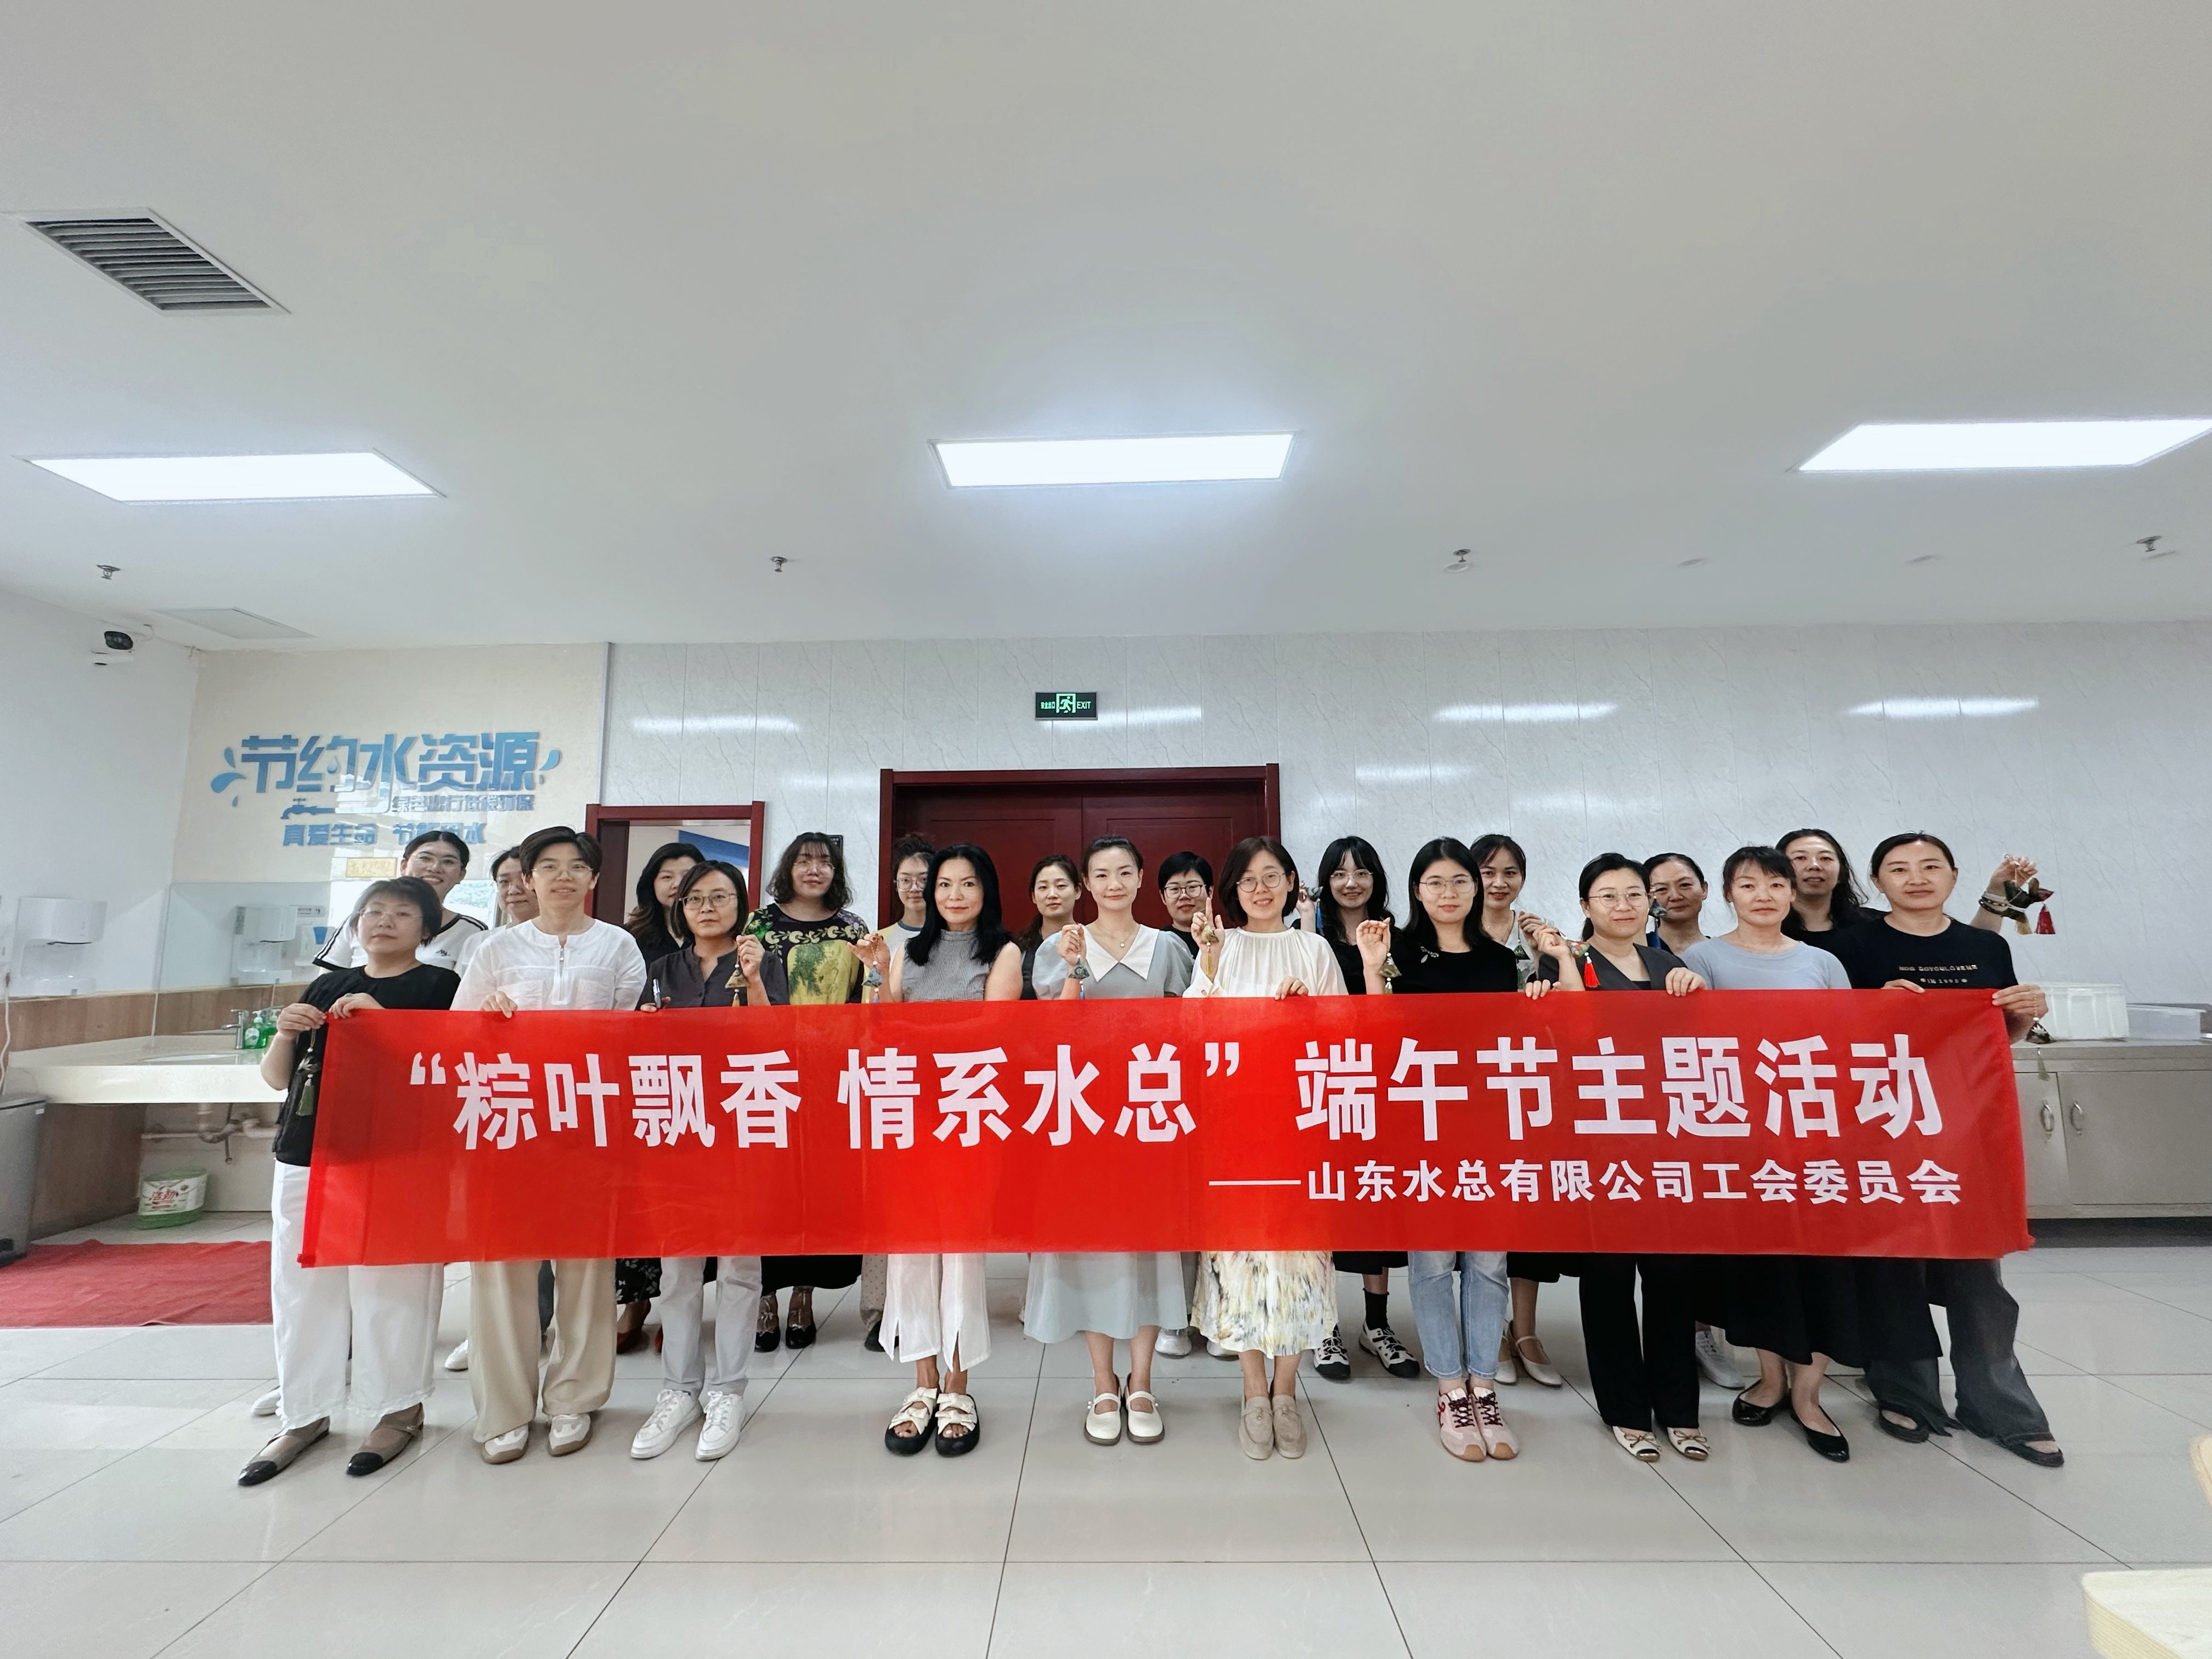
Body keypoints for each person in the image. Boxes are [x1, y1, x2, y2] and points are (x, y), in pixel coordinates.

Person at [1684, 845, 1934, 1464]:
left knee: (1823, 1265)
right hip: (1744, 1140)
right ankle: (1769, 1379)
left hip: (1817, 1137)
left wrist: (1884, 1006)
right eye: (1749, 885)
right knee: (1762, 1265)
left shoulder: (1821, 962)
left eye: (1776, 884)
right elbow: (1686, 1044)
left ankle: (1809, 1392)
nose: (1764, 896)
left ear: (1792, 894)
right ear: (1729, 894)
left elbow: (1848, 1044)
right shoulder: (1701, 959)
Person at [1826, 832, 2062, 1468]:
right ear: (1878, 882)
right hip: (1881, 1126)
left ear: (1955, 877)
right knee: (1893, 1266)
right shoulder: (1851, 947)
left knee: (1979, 1272)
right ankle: (1906, 1393)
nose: (1917, 878)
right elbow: (1825, 1037)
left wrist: (2023, 1014)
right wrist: (1871, 1009)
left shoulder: (1985, 946)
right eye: (1899, 869)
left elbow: (1995, 1039)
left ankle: (1999, 1405)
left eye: (1931, 866)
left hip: (1967, 1128)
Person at [239, 877, 457, 1486]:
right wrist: (285, 1032)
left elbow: (443, 1071)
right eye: (373, 911)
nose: (384, 921)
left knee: (392, 1281)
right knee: (303, 1283)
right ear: (356, 924)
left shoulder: (440, 987)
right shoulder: (326, 985)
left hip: (396, 1153)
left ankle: (399, 1408)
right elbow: (277, 1078)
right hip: (307, 1149)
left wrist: (385, 1023)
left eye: (402, 914)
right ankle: (304, 1412)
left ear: (427, 929)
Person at [455, 825, 647, 1463]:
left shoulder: (618, 946)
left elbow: (631, 1038)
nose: (563, 877)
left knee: (586, 1268)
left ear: (594, 879)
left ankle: (574, 1398)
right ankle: (504, 1410)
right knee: (503, 1268)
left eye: (576, 867)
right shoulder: (495, 949)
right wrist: (486, 1021)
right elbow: (455, 1038)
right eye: (549, 867)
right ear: (528, 879)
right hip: (509, 1126)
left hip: (589, 1126)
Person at [1527, 855, 1713, 1462]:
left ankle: (1680, 1410)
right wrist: (1558, 973)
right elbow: (1568, 1040)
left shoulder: (1669, 966)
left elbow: (1700, 1046)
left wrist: (1697, 996)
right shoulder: (1563, 963)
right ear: (1585, 906)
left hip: (1667, 1145)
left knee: (1672, 1279)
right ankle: (1626, 1410)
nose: (1624, 906)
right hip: (1599, 1146)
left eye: (1634, 894)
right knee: (1608, 1280)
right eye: (1607, 896)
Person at [1354, 837, 1521, 1462]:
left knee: (1488, 1262)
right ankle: (1450, 1388)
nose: (1448, 893)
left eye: (1459, 882)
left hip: (1487, 1130)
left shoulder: (1501, 961)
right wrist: (1372, 969)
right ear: (1417, 891)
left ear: (1475, 889)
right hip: (1421, 1128)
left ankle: (1485, 1386)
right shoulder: (1397, 953)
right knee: (1431, 1262)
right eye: (1435, 883)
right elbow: (1376, 1038)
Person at [1022, 836, 1194, 1444]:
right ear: (1086, 885)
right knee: (1093, 1249)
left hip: (1149, 1118)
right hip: (1085, 1119)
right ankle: (1102, 1381)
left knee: (1149, 1247)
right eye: (1101, 874)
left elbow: (1192, 1028)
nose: (1114, 883)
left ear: (1143, 878)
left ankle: (1141, 1381)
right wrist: (1074, 969)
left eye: (1125, 872)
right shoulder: (1060, 946)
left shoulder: (1170, 948)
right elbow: (1051, 1035)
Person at [857, 844, 1023, 1457]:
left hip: (969, 1116)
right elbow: (882, 1028)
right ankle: (921, 1383)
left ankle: (958, 1386)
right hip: (910, 1115)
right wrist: (878, 975)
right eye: (944, 885)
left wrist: (917, 1029)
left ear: (986, 891)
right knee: (910, 1253)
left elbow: (994, 1033)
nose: (955, 895)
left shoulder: (1004, 952)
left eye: (967, 884)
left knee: (961, 1252)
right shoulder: (907, 951)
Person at [1185, 836, 1342, 1460]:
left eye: (1272, 876)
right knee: (1240, 1260)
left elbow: (1345, 1034)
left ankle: (1286, 1392)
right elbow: (1194, 1029)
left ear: (1291, 882)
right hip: (1235, 1129)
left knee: (1301, 1261)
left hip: (1300, 1126)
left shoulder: (1314, 948)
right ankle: (1253, 1390)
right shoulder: (1219, 945)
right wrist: (1209, 961)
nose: (1260, 889)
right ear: (1232, 889)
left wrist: (1307, 1013)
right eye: (1248, 880)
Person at [629, 860, 766, 1462]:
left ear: (740, 906)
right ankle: (679, 1390)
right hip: (676, 1130)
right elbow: (636, 1048)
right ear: (681, 909)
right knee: (679, 1269)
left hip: (741, 1128)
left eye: (720, 897)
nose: (707, 908)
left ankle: (729, 1391)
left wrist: (755, 980)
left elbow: (776, 1040)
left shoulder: (763, 962)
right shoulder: (662, 970)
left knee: (738, 1267)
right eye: (695, 900)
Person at [741, 832, 868, 1351]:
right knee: (770, 1186)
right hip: (770, 1071)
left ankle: (804, 1294)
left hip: (830, 1074)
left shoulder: (853, 927)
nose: (814, 869)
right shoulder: (761, 923)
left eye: (824, 861)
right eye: (803, 861)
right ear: (787, 869)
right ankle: (766, 1294)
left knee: (819, 1186)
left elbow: (865, 999)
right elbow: (742, 989)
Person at [1305, 835, 1417, 1381]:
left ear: (1377, 879)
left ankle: (1377, 1324)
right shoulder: (1309, 938)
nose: (1351, 883)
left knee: (1375, 1203)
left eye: (1362, 872)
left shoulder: (1400, 938)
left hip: (1382, 1089)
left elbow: (1406, 1015)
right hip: (1324, 1088)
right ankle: (1324, 1326)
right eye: (1340, 874)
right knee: (1327, 1207)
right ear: (1325, 882)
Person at [1467, 832, 1569, 1388]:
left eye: (1510, 872)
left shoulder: (1539, 936)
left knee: (1527, 1208)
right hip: (1470, 1092)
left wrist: (1544, 954)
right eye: (1488, 872)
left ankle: (1525, 1330)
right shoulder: (1455, 931)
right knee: (1483, 1216)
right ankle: (1488, 1334)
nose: (1500, 882)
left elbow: (1567, 1014)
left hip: (1528, 1087)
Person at [1641, 852, 1744, 1390]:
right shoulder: (1633, 953)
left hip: (1718, 1101)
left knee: (1713, 1227)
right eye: (1659, 888)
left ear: (1707, 890)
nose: (1673, 896)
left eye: (1684, 884)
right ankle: (1678, 1334)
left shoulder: (1726, 951)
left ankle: (1707, 1331)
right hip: (1648, 1106)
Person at [313, 829, 486, 972]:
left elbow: (467, 995)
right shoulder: (362, 919)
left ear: (461, 875)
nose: (435, 868)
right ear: (404, 866)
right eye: (425, 858)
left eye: (448, 862)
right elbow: (326, 983)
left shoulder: (472, 931)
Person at [625, 841, 706, 978]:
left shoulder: (718, 936)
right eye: (667, 877)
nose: (677, 884)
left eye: (687, 876)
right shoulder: (628, 938)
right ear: (652, 884)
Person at [1778, 827, 1870, 938]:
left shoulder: (1873, 927)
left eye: (1825, 858)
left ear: (1841, 872)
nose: (1814, 866)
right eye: (1801, 858)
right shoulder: (1765, 928)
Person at [1014, 853, 1083, 998]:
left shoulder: (1089, 940)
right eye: (1043, 887)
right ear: (1034, 896)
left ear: (1077, 891)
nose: (1052, 894)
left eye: (1061, 886)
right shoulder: (1018, 948)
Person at [1643, 852, 1709, 958]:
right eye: (1662, 889)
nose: (1675, 896)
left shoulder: (1724, 952)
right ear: (1647, 897)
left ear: (1704, 889)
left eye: (1685, 885)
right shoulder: (1635, 951)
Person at [1156, 851, 1214, 958]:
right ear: (1163, 897)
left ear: (1210, 892)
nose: (1184, 896)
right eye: (1174, 889)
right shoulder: (1156, 945)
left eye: (1192, 887)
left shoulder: (1226, 941)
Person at [885, 832, 934, 951]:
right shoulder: (880, 939)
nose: (914, 888)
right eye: (906, 880)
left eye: (924, 879)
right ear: (896, 885)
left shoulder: (953, 936)